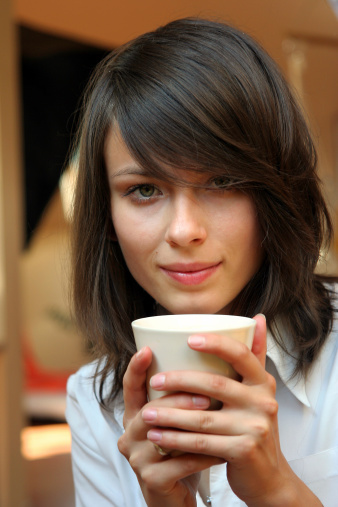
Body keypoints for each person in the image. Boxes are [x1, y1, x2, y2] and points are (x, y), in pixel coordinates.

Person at [65, 17, 338, 506]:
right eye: (144, 190)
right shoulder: (95, 399)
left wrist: (278, 491)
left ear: (278, 191)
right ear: (106, 213)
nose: (183, 230)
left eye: (221, 183)